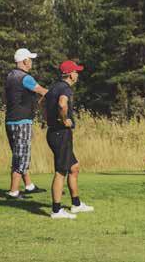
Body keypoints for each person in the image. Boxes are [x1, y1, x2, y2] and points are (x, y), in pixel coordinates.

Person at [44, 60, 93, 219]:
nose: (77, 74)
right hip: (60, 133)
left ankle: (76, 204)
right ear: (70, 74)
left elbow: (41, 102)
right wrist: (64, 119)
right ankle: (56, 210)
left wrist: (49, 119)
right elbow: (62, 104)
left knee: (74, 167)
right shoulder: (65, 88)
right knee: (61, 171)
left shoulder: (54, 87)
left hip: (54, 133)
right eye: (76, 72)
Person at [4, 48, 48, 199]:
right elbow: (43, 91)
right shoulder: (26, 78)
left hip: (10, 121)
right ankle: (14, 191)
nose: (32, 62)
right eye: (30, 59)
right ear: (25, 61)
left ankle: (28, 186)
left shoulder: (10, 76)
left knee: (18, 153)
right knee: (22, 156)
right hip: (22, 121)